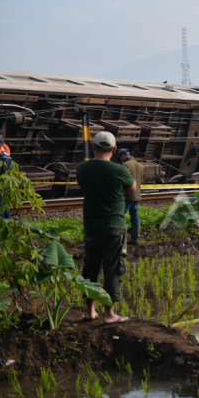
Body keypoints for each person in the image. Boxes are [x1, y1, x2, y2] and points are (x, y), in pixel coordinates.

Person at [76, 132, 136, 323]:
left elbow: (84, 186)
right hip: (115, 226)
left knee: (91, 269)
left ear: (93, 147)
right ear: (114, 149)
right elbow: (132, 188)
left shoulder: (82, 168)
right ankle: (110, 314)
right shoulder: (120, 170)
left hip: (92, 226)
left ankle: (89, 312)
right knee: (113, 269)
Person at [117, 149, 144, 246]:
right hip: (137, 196)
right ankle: (134, 239)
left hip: (127, 196)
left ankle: (119, 240)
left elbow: (122, 181)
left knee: (119, 216)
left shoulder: (125, 165)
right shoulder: (140, 165)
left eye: (120, 157)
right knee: (135, 217)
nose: (120, 159)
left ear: (123, 156)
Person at [0, 136, 11, 219]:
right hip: (7, 180)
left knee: (0, 201)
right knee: (6, 200)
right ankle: (7, 219)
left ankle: (1, 220)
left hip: (1, 180)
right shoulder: (6, 153)